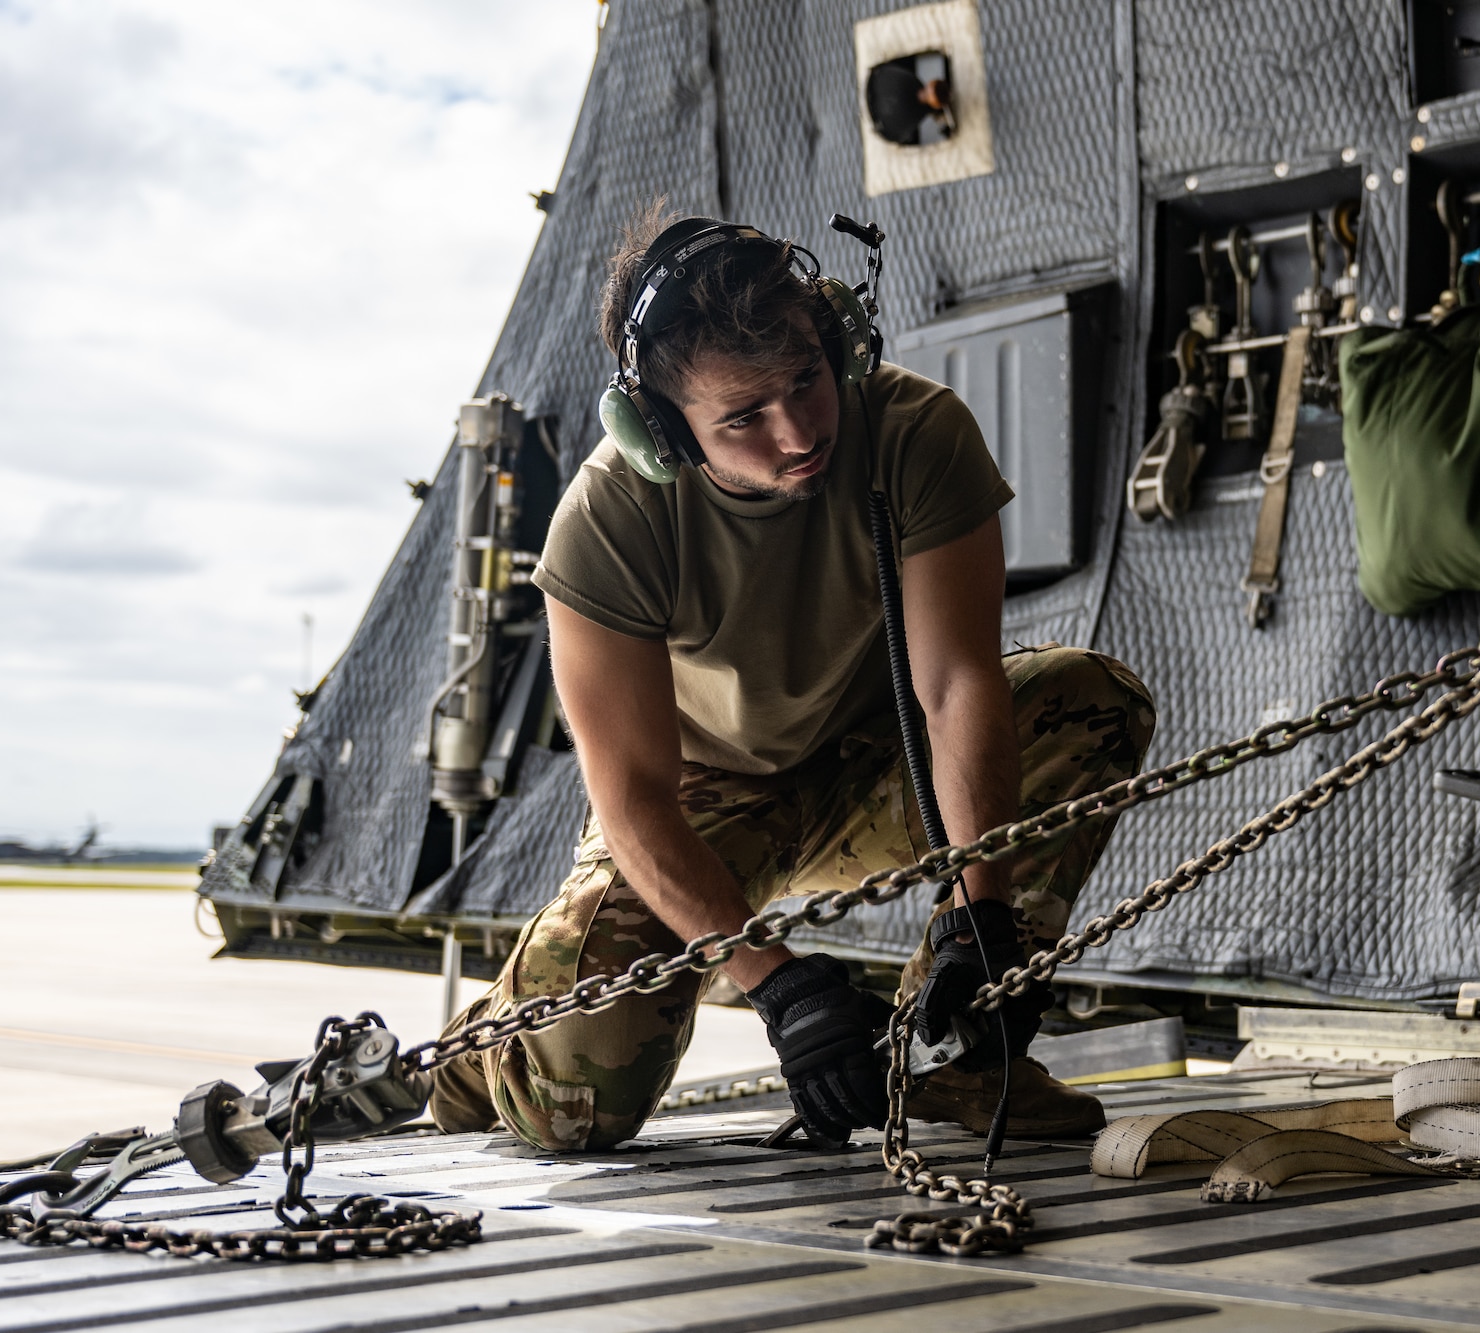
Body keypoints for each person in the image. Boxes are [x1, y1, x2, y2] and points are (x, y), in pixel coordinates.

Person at [428, 210, 1155, 1152]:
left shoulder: (917, 433)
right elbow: (635, 800)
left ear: (837, 336)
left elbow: (955, 687)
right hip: (698, 802)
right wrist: (780, 986)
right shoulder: (609, 519)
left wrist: (982, 916)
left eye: (808, 377)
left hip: (874, 761)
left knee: (1087, 702)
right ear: (661, 430)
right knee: (569, 1107)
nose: (800, 429)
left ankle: (958, 1054)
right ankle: (474, 1048)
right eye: (743, 416)